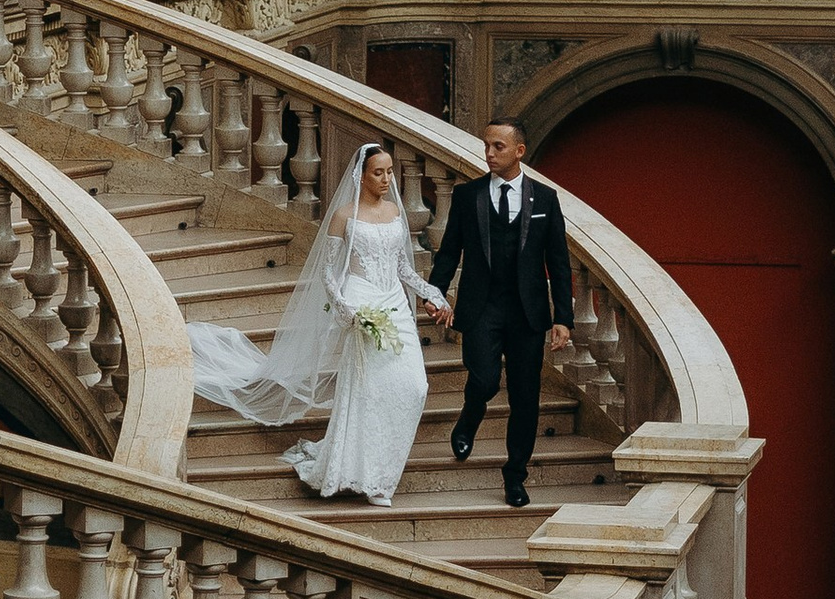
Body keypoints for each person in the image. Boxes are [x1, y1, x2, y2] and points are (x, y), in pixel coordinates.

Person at [184, 142, 446, 508]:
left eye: (389, 172)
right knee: (370, 392)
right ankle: (371, 480)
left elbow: (403, 267)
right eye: (378, 172)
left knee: (415, 388)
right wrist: (346, 309)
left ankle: (382, 472)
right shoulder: (343, 215)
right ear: (361, 175)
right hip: (362, 303)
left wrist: (432, 293)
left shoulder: (394, 213)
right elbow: (328, 272)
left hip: (395, 307)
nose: (387, 179)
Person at [427, 117, 573, 510]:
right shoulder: (467, 195)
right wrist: (435, 293)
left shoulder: (544, 199)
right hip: (481, 307)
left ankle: (515, 476)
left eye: (498, 147)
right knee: (485, 379)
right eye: (487, 145)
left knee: (526, 398)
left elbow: (558, 262)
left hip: (528, 313)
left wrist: (563, 318)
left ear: (519, 151)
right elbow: (449, 252)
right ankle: (469, 417)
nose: (489, 153)